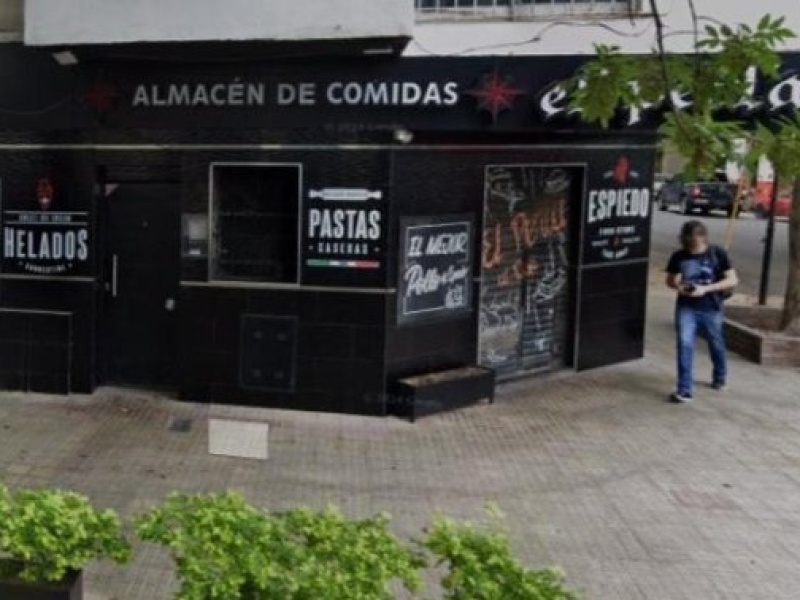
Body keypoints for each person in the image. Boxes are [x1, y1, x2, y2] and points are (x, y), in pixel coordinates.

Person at [665, 221, 739, 403]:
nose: (694, 243)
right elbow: (670, 280)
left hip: (711, 306)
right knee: (684, 343)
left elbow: (732, 280)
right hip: (686, 306)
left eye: (697, 239)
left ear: (704, 237)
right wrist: (679, 287)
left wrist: (706, 289)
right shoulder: (679, 256)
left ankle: (720, 377)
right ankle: (684, 389)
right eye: (690, 240)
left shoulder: (717, 253)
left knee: (716, 342)